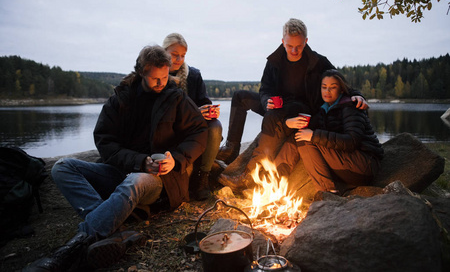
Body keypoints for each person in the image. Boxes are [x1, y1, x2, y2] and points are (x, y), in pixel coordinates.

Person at [23, 45, 208, 272]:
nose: (161, 83)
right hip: (120, 171)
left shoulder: (176, 97)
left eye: (164, 77)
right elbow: (104, 140)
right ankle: (114, 228)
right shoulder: (121, 98)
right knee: (62, 167)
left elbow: (199, 132)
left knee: (135, 181)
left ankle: (71, 249)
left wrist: (176, 160)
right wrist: (139, 161)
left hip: (159, 180)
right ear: (141, 72)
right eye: (154, 79)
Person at [218, 18, 368, 191]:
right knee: (239, 96)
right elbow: (265, 88)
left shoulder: (317, 61)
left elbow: (338, 81)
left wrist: (357, 95)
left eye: (299, 46)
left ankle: (249, 175)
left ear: (306, 41)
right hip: (276, 106)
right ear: (283, 42)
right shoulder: (274, 61)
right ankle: (231, 149)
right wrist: (267, 102)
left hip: (301, 109)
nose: (294, 50)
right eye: (290, 46)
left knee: (274, 118)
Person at [294, 69, 383, 194]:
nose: (327, 91)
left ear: (341, 89)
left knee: (308, 139)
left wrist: (314, 136)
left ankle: (327, 192)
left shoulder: (352, 107)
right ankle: (328, 189)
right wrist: (289, 122)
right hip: (348, 164)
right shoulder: (324, 109)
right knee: (302, 137)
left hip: (364, 165)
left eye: (333, 87)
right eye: (324, 87)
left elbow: (352, 141)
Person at [162, 33, 222, 201]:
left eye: (183, 55)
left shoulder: (193, 75)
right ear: (164, 51)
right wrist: (196, 113)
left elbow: (204, 101)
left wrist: (209, 111)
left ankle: (203, 177)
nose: (179, 59)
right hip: (171, 130)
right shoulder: (158, 77)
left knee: (215, 126)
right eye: (175, 55)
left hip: (194, 129)